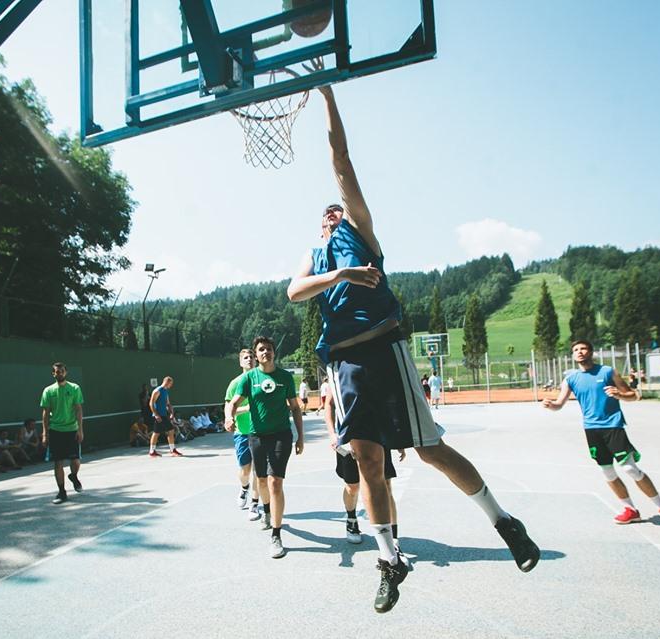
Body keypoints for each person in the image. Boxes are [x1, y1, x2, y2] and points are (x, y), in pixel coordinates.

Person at [286, 78, 539, 613]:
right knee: (368, 462)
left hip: (384, 350)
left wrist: (328, 99)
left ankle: (504, 521)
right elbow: (293, 292)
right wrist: (340, 275)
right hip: (345, 363)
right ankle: (388, 561)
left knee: (429, 449)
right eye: (323, 215)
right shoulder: (320, 256)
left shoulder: (360, 232)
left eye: (334, 212)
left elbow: (341, 162)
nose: (329, 217)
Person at [543, 340, 660, 532]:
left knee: (630, 468)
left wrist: (619, 395)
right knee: (607, 472)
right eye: (576, 350)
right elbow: (559, 404)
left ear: (591, 352)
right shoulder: (571, 379)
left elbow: (634, 395)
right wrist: (552, 406)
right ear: (573, 355)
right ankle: (630, 509)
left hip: (613, 426)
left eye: (583, 348)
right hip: (591, 430)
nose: (579, 352)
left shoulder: (607, 372)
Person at [225, 336, 304, 559]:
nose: (265, 352)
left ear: (273, 353)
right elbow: (233, 402)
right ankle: (266, 512)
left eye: (268, 349)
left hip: (281, 435)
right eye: (260, 349)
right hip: (257, 436)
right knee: (260, 481)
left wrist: (300, 437)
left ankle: (276, 535)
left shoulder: (285, 377)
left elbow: (295, 408)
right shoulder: (249, 378)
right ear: (256, 354)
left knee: (275, 482)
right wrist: (229, 417)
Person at [323, 382, 405, 556]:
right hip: (348, 437)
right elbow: (329, 404)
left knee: (386, 485)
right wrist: (332, 433)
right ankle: (351, 518)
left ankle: (394, 540)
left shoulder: (374, 363)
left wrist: (397, 436)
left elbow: (389, 402)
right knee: (352, 486)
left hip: (378, 434)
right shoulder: (338, 367)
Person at [41, 362, 84, 504]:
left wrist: (80, 429)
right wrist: (45, 433)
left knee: (75, 461)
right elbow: (45, 413)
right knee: (58, 462)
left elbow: (78, 409)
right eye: (56, 372)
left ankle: (74, 476)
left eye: (61, 371)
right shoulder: (48, 391)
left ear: (66, 372)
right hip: (55, 431)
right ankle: (62, 492)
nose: (59, 374)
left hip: (71, 430)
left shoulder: (75, 388)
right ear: (53, 374)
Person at [225, 348, 261, 518]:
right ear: (240, 362)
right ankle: (244, 488)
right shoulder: (235, 383)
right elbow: (229, 407)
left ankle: (255, 504)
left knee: (258, 471)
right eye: (246, 357)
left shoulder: (262, 380)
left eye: (252, 357)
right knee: (245, 471)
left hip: (261, 432)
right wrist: (231, 417)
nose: (250, 360)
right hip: (242, 432)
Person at [149, 376, 182, 457]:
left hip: (164, 415)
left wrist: (171, 413)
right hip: (158, 416)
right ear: (167, 382)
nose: (171, 385)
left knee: (169, 431)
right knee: (157, 433)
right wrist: (156, 415)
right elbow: (151, 403)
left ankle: (172, 450)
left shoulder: (166, 392)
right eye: (171, 383)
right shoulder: (157, 391)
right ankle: (152, 451)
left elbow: (168, 404)